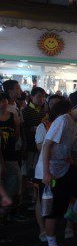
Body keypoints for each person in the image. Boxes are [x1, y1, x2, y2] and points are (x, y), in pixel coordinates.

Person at [35, 90, 77, 246]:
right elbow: (47, 145)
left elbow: (68, 147)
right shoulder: (63, 120)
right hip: (50, 172)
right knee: (54, 211)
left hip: (63, 168)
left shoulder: (76, 126)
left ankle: (75, 211)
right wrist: (46, 172)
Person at [34, 94, 64, 241]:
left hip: (60, 169)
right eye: (52, 104)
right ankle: (43, 230)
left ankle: (52, 230)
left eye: (58, 104)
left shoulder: (66, 124)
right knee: (42, 199)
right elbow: (40, 147)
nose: (55, 106)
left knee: (55, 200)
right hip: (44, 170)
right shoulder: (44, 125)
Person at [0, 93, 22, 221]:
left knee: (14, 183)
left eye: (4, 100)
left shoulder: (13, 117)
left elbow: (16, 136)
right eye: (1, 101)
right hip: (2, 156)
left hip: (11, 154)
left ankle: (10, 212)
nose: (3, 103)